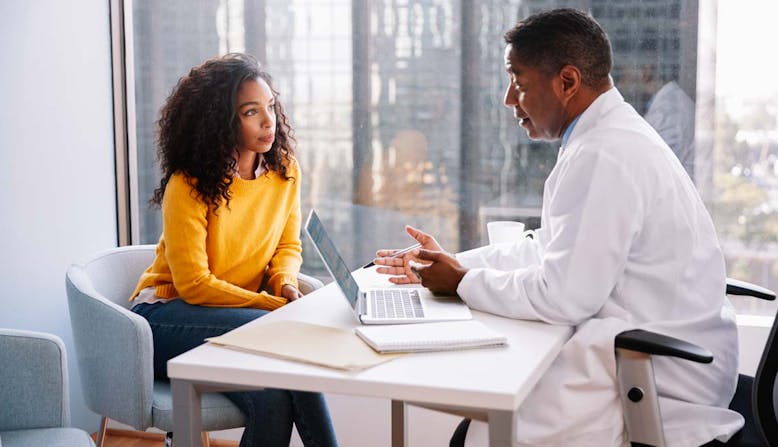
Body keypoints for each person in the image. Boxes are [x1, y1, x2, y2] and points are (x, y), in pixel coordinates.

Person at [373, 9, 741, 447]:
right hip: (663, 352)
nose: (510, 99)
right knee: (485, 417)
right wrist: (456, 266)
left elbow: (566, 296)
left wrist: (463, 282)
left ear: (567, 82)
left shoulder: (604, 153)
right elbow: (550, 247)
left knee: (484, 432)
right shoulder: (607, 136)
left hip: (659, 378)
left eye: (520, 82)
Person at [129, 53, 338, 447]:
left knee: (274, 398)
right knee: (285, 337)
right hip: (163, 320)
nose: (268, 121)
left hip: (238, 318)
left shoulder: (284, 171)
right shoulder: (188, 184)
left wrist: (284, 282)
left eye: (271, 107)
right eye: (250, 112)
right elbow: (193, 285)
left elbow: (287, 245)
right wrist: (271, 307)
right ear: (221, 121)